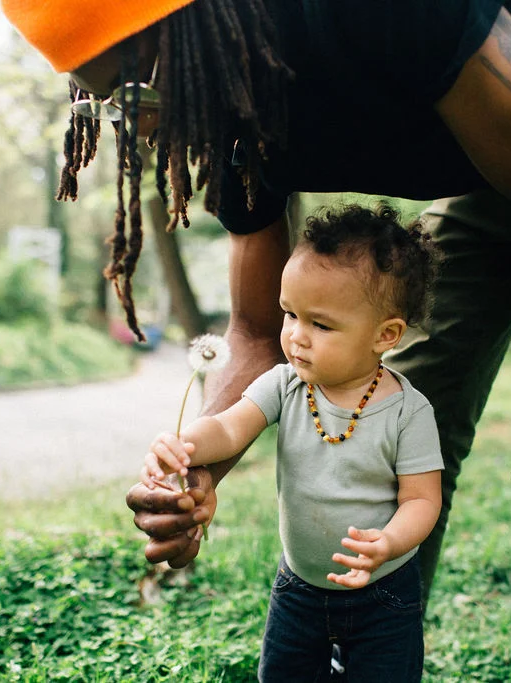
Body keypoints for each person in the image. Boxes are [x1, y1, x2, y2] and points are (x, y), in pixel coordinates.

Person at [1, 0, 511, 679]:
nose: (140, 128)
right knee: (396, 408)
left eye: (137, 91)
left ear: (194, 28)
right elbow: (256, 330)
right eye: (104, 103)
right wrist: (200, 476)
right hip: (495, 154)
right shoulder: (227, 116)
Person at [142, 205, 443, 681]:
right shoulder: (286, 385)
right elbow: (228, 429)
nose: (296, 336)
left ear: (385, 335)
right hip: (299, 586)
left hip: (383, 591)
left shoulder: (409, 412)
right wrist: (184, 444)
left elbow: (422, 500)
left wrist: (389, 542)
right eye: (289, 314)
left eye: (320, 324)